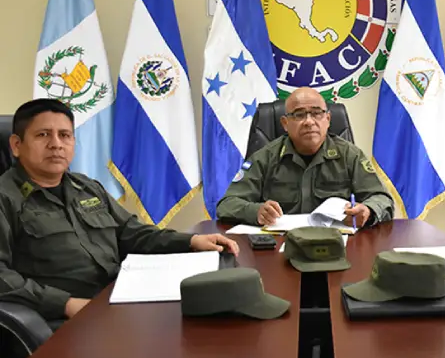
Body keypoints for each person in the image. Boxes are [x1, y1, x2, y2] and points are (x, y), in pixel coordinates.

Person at [0, 99, 239, 322]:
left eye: (65, 135)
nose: (56, 144)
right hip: (62, 319)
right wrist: (65, 304)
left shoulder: (86, 187)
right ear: (16, 145)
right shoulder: (6, 197)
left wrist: (192, 241)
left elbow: (131, 233)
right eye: (43, 135)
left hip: (119, 299)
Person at [216, 87, 394, 228]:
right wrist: (256, 211)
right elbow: (227, 204)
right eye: (299, 115)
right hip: (278, 245)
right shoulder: (265, 157)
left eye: (317, 113)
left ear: (328, 119)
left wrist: (368, 211)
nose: (309, 121)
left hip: (337, 244)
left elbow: (382, 198)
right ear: (285, 123)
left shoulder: (350, 155)